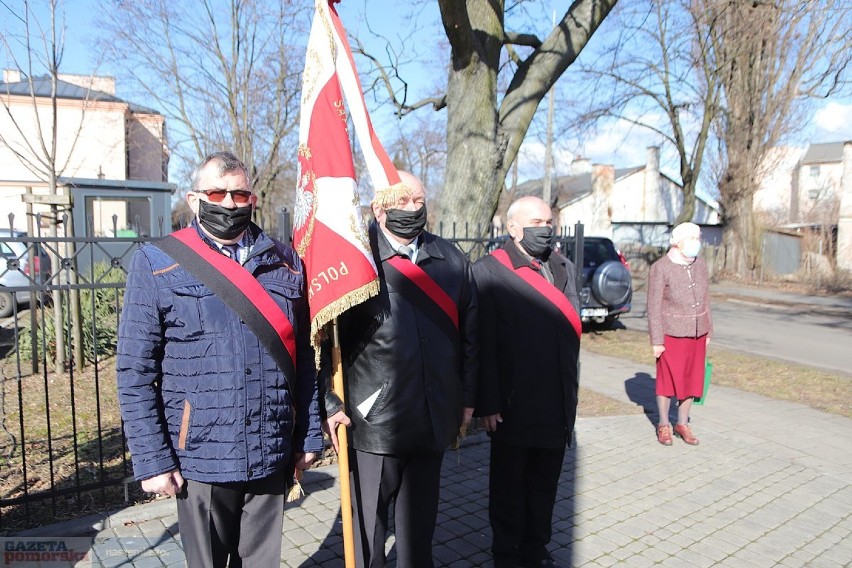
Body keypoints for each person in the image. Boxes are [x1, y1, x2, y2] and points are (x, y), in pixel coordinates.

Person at [116, 151, 323, 567]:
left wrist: (309, 436)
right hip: (202, 457)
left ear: (253, 198)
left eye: (239, 194)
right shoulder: (157, 262)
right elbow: (135, 372)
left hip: (270, 449)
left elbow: (305, 360)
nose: (229, 203)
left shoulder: (285, 263)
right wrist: (154, 459)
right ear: (195, 199)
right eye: (217, 192)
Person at [323, 171, 478, 568]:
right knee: (367, 530)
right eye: (402, 201)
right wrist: (327, 401)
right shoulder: (353, 262)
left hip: (432, 415)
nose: (413, 208)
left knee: (418, 535)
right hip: (374, 420)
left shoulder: (451, 259)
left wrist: (469, 398)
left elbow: (473, 337)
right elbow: (320, 341)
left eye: (418, 200)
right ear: (378, 208)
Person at [473, 196, 581, 568]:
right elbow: (482, 342)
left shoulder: (562, 265)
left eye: (549, 221)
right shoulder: (489, 270)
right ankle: (506, 552)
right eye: (537, 221)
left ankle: (536, 549)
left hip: (557, 400)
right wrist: (487, 401)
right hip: (512, 403)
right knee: (509, 487)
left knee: (545, 486)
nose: (546, 228)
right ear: (514, 228)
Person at [647, 221, 713, 446]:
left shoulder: (700, 265)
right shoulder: (661, 267)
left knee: (692, 381)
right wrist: (657, 340)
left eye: (698, 238)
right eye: (693, 238)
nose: (697, 243)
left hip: (697, 332)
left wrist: (708, 331)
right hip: (670, 334)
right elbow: (653, 306)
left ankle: (682, 423)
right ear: (678, 242)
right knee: (667, 381)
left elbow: (706, 299)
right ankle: (664, 423)